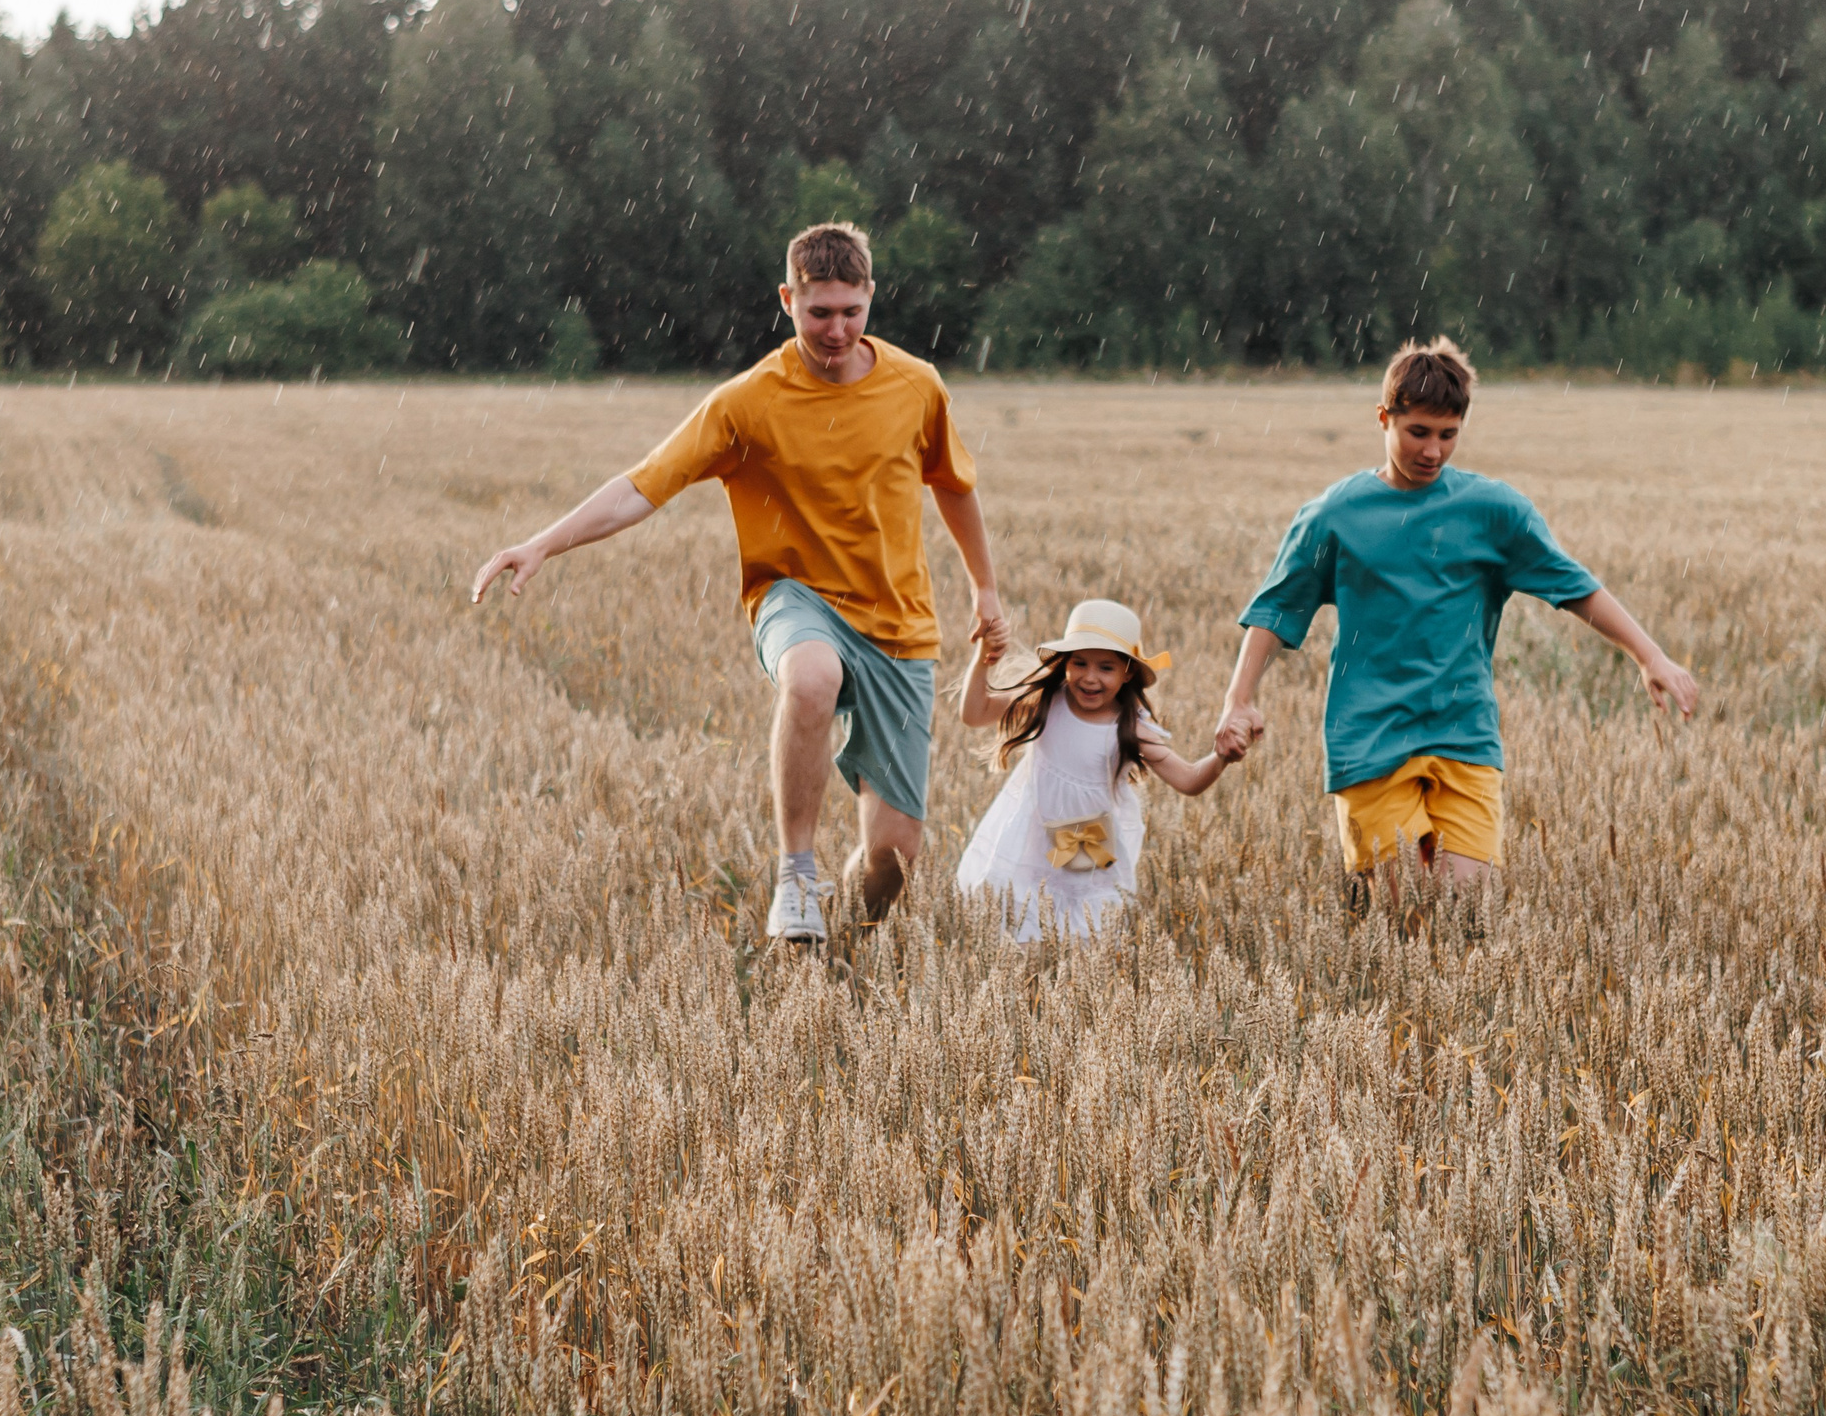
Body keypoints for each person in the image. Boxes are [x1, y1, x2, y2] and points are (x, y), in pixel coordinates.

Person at [471, 222, 1010, 944]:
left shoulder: (916, 386)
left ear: (871, 297)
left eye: (851, 311)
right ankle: (797, 874)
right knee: (811, 677)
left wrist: (984, 587)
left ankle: (846, 945)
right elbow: (642, 486)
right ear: (788, 300)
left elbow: (954, 485)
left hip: (899, 623)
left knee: (894, 859)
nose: (836, 330)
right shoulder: (748, 401)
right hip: (795, 597)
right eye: (819, 313)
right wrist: (542, 543)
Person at [1215, 337, 1697, 891]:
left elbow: (1575, 587)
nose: (1433, 451)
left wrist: (1649, 656)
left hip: (1465, 734)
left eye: (1448, 435)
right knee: (1403, 918)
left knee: (1468, 910)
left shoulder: (1494, 512)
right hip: (1369, 738)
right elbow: (1277, 609)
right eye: (1418, 432)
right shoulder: (1333, 515)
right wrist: (1239, 700)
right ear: (1383, 419)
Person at [955, 599, 1235, 941]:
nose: (1090, 678)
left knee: (1083, 939)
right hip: (1033, 837)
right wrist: (983, 658)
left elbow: (1188, 780)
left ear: (1127, 672)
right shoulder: (1047, 701)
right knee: (1023, 935)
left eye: (1106, 667)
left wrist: (1220, 758)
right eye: (1080, 663)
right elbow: (974, 713)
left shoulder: (1129, 727)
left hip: (1088, 844)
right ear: (1065, 662)